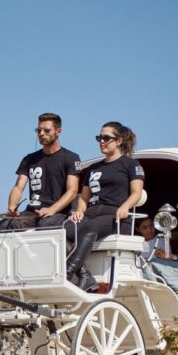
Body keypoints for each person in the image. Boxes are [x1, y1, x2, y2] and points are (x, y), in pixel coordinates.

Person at [67, 121, 145, 291]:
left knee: (90, 226)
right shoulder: (93, 168)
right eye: (99, 138)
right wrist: (79, 211)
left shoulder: (130, 164)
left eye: (106, 138)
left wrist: (125, 207)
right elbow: (84, 197)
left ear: (119, 141)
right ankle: (85, 276)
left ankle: (67, 271)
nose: (102, 141)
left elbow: (136, 193)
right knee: (61, 230)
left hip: (116, 219)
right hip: (91, 215)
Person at [0, 113, 81, 231]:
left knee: (45, 225)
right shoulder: (29, 159)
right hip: (32, 212)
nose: (41, 134)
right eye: (39, 130)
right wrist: (12, 206)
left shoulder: (71, 157)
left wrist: (52, 209)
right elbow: (18, 188)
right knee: (4, 224)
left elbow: (72, 190)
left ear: (58, 131)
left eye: (46, 130)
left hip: (58, 212)